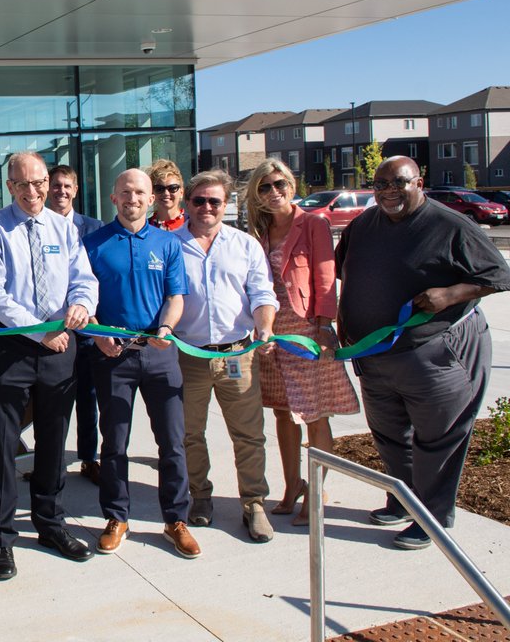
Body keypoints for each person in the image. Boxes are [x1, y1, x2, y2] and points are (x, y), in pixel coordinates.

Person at [336, 156, 510, 549]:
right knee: (389, 433)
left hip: (433, 353)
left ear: (420, 182)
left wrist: (450, 294)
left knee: (437, 438)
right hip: (375, 354)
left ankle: (430, 520)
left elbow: (500, 275)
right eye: (379, 185)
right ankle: (402, 499)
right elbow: (346, 274)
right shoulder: (364, 225)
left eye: (398, 182)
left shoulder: (450, 225)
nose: (388, 191)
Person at [0, 152, 99, 580]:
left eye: (40, 182)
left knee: (53, 442)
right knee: (4, 444)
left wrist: (82, 303)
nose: (33, 192)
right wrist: (39, 331)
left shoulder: (64, 227)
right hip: (12, 346)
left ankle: (50, 523)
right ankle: (0, 536)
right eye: (23, 185)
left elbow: (83, 276)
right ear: (9, 186)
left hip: (59, 348)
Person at [83, 169, 200, 558]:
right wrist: (98, 334)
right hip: (112, 356)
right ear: (113, 198)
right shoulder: (93, 244)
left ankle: (175, 520)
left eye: (140, 193)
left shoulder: (168, 244)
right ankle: (117, 518)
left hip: (159, 353)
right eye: (125, 192)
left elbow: (176, 296)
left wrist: (166, 328)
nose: (133, 198)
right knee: (114, 442)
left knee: (172, 442)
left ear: (152, 200)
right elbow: (84, 299)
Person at [244, 160, 359, 526]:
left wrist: (326, 325)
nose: (273, 191)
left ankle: (317, 491)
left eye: (279, 183)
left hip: (306, 327)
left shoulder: (313, 223)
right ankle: (292, 485)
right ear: (256, 195)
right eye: (264, 187)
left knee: (313, 412)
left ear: (291, 185)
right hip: (271, 330)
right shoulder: (259, 231)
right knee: (281, 410)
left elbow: (326, 278)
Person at [172, 170, 278, 542]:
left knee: (249, 435)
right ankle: (200, 496)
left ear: (226, 205)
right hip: (188, 355)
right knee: (189, 434)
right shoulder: (171, 245)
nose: (206, 207)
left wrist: (264, 327)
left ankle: (254, 504)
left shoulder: (244, 245)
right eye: (199, 200)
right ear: (187, 203)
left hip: (237, 355)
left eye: (214, 201)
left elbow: (263, 294)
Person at [47, 164, 104, 485]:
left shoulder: (94, 228)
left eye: (67, 186)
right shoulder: (36, 224)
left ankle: (87, 457)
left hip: (86, 326)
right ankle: (47, 458)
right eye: (56, 185)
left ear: (76, 190)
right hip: (49, 328)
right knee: (48, 399)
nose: (61, 191)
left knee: (87, 395)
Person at [147, 159, 187, 231]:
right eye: (159, 189)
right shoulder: (145, 228)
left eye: (172, 188)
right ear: (152, 193)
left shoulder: (192, 225)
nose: (166, 193)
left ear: (181, 192)